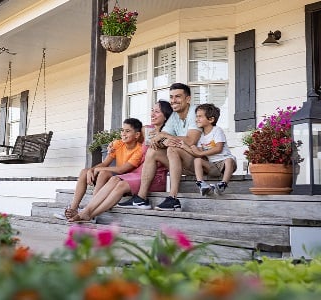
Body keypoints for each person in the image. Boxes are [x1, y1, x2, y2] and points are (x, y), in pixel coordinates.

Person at [68, 101, 173, 223]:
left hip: (155, 176)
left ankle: (89, 214)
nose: (152, 114)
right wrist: (113, 144)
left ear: (165, 115)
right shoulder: (147, 130)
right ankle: (87, 211)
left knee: (121, 184)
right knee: (114, 179)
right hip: (139, 172)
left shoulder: (170, 134)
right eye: (152, 110)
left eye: (157, 111)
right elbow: (129, 136)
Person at [117, 82, 202, 211]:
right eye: (171, 97)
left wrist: (165, 138)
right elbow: (160, 138)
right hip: (181, 160)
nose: (173, 101)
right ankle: (141, 198)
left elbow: (190, 140)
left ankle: (173, 198)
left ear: (188, 99)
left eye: (178, 96)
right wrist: (164, 139)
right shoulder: (174, 116)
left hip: (199, 161)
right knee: (153, 151)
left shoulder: (195, 112)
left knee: (172, 149)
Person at [63, 118, 144, 219]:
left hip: (125, 180)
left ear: (137, 135)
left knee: (104, 173)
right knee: (85, 171)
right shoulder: (117, 144)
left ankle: (91, 208)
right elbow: (105, 163)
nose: (123, 133)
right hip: (115, 177)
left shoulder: (139, 149)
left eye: (127, 131)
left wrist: (99, 170)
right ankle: (73, 209)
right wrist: (91, 170)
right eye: (122, 130)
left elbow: (122, 170)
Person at [180, 103, 237, 195]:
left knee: (229, 160)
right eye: (196, 116)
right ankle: (201, 184)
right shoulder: (201, 136)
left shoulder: (217, 130)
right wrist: (185, 147)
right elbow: (198, 153)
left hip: (225, 164)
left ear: (211, 119)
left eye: (200, 117)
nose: (196, 119)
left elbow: (218, 148)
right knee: (197, 160)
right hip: (212, 166)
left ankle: (223, 184)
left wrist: (200, 154)